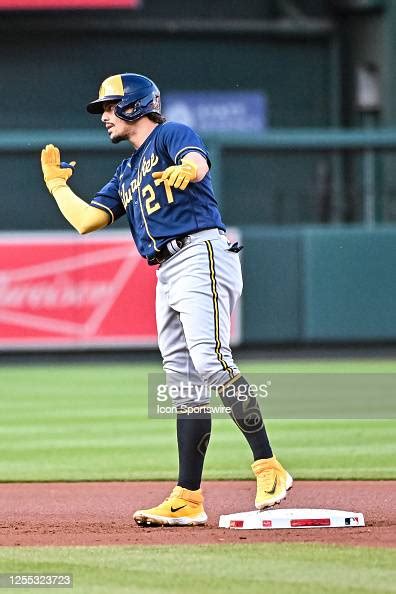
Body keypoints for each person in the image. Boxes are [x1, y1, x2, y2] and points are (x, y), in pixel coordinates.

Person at [40, 73, 292, 527]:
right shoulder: (126, 170)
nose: (104, 117)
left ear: (135, 106)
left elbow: (197, 160)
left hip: (200, 251)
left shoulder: (170, 134)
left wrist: (190, 169)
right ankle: (188, 498)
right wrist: (59, 188)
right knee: (184, 385)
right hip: (166, 269)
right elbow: (87, 221)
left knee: (211, 361)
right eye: (102, 110)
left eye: (110, 107)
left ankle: (269, 466)